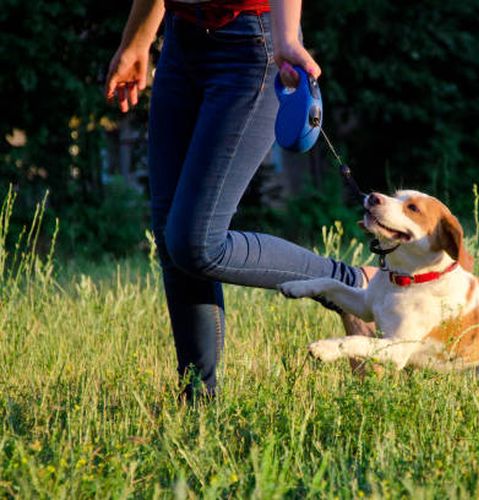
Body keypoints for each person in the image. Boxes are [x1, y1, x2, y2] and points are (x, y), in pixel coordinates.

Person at [106, 0, 374, 401]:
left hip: (252, 44)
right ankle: (197, 401)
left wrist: (286, 36)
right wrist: (138, 40)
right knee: (170, 237)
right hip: (182, 43)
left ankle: (348, 282)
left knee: (196, 243)